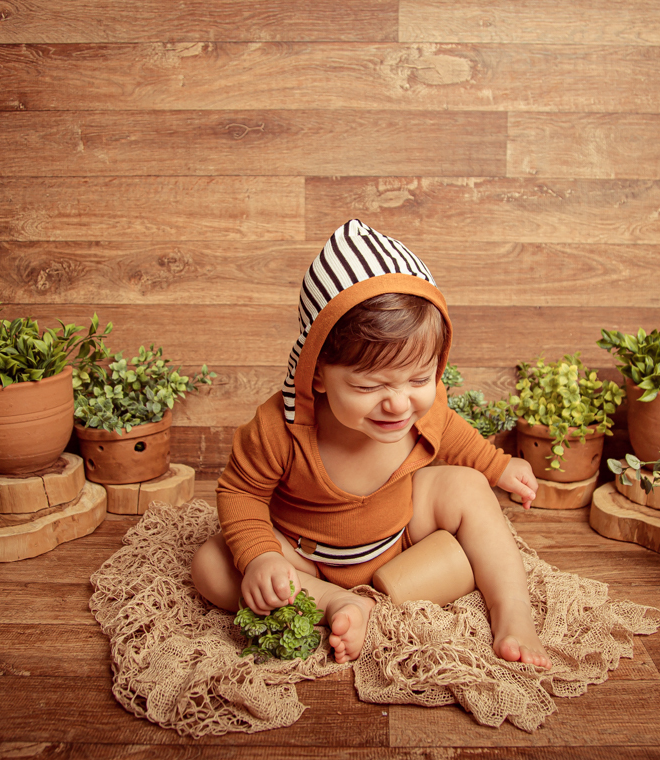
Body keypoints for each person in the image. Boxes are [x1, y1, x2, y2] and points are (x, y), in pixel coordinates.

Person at [191, 220, 551, 668]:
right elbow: (240, 493)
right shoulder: (277, 430)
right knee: (212, 564)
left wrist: (497, 466)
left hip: (397, 536)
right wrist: (262, 559)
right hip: (304, 557)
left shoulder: (423, 403)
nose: (398, 404)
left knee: (467, 486)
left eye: (419, 378)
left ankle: (512, 609)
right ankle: (339, 602)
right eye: (369, 387)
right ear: (317, 372)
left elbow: (451, 431)